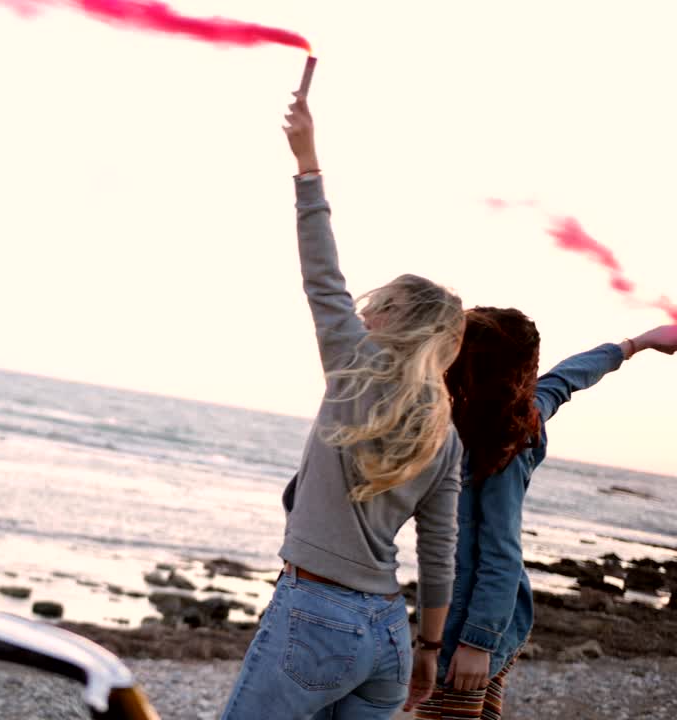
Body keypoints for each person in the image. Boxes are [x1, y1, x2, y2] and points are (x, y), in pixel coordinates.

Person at [219, 93, 466, 720]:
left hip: (315, 615)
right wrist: (428, 650)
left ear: (390, 319)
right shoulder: (447, 433)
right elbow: (440, 551)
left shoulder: (354, 366)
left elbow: (321, 272)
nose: (358, 311)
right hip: (387, 631)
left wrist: (307, 161)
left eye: (371, 305)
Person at [412, 309, 677, 719]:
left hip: (471, 626)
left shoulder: (502, 442)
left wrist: (477, 642)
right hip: (491, 617)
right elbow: (566, 378)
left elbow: (502, 551)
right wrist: (636, 344)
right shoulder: (522, 410)